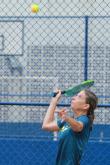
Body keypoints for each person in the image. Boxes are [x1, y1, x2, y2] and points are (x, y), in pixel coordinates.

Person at [42, 89, 98, 165]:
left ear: (86, 106)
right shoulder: (67, 122)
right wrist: (54, 101)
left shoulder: (85, 119)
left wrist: (66, 118)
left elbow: (78, 127)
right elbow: (46, 126)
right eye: (75, 95)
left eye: (79, 96)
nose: (73, 97)